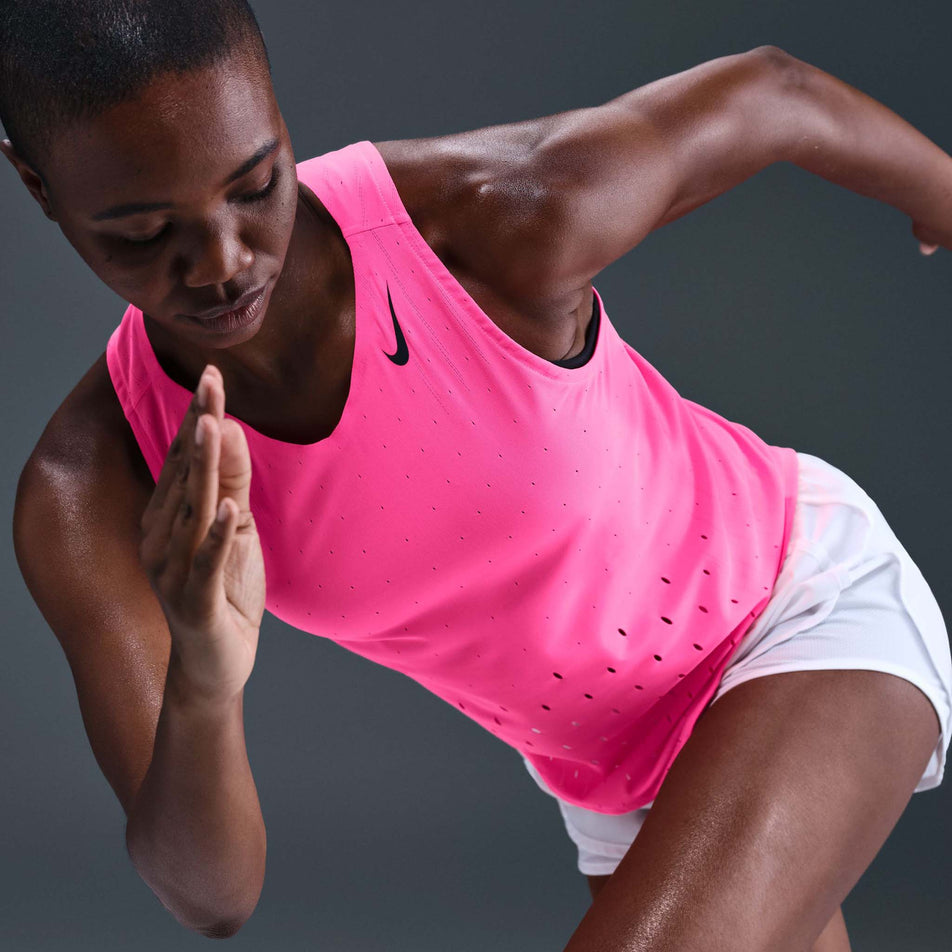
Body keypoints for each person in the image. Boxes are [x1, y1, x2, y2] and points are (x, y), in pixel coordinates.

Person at [4, 1, 951, 948]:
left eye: (255, 186)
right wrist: (204, 681)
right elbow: (214, 897)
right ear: (38, 188)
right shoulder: (95, 487)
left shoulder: (487, 223)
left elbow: (773, 92)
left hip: (798, 615)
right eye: (142, 233)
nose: (220, 261)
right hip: (611, 777)